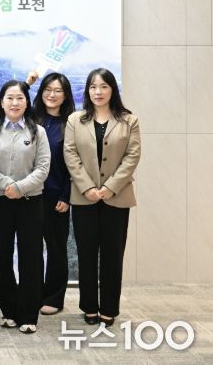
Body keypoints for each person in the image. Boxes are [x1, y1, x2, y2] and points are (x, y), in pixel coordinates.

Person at [63, 68, 141, 327]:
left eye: (104, 86)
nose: (98, 91)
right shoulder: (75, 120)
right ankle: (89, 306)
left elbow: (132, 156)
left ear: (112, 90)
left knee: (113, 254)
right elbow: (70, 154)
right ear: (88, 91)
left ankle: (109, 308)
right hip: (84, 197)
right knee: (86, 254)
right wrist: (87, 187)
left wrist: (110, 187)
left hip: (116, 197)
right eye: (93, 87)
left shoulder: (129, 120)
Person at [0, 80, 50, 334]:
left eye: (20, 98)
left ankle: (29, 313)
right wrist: (7, 185)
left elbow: (43, 168)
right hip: (0, 201)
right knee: (3, 255)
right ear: (1, 102)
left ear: (27, 102)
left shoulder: (37, 132)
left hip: (31, 201)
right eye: (9, 98)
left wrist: (19, 188)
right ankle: (8, 310)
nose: (15, 102)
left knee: (31, 257)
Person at [26, 71, 75, 316]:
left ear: (65, 95)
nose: (52, 95)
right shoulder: (31, 119)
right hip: (30, 194)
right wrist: (27, 84)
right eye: (47, 89)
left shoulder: (71, 124)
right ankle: (34, 293)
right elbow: (9, 103)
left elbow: (76, 164)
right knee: (32, 247)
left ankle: (55, 297)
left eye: (57, 91)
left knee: (56, 248)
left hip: (56, 195)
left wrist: (67, 196)